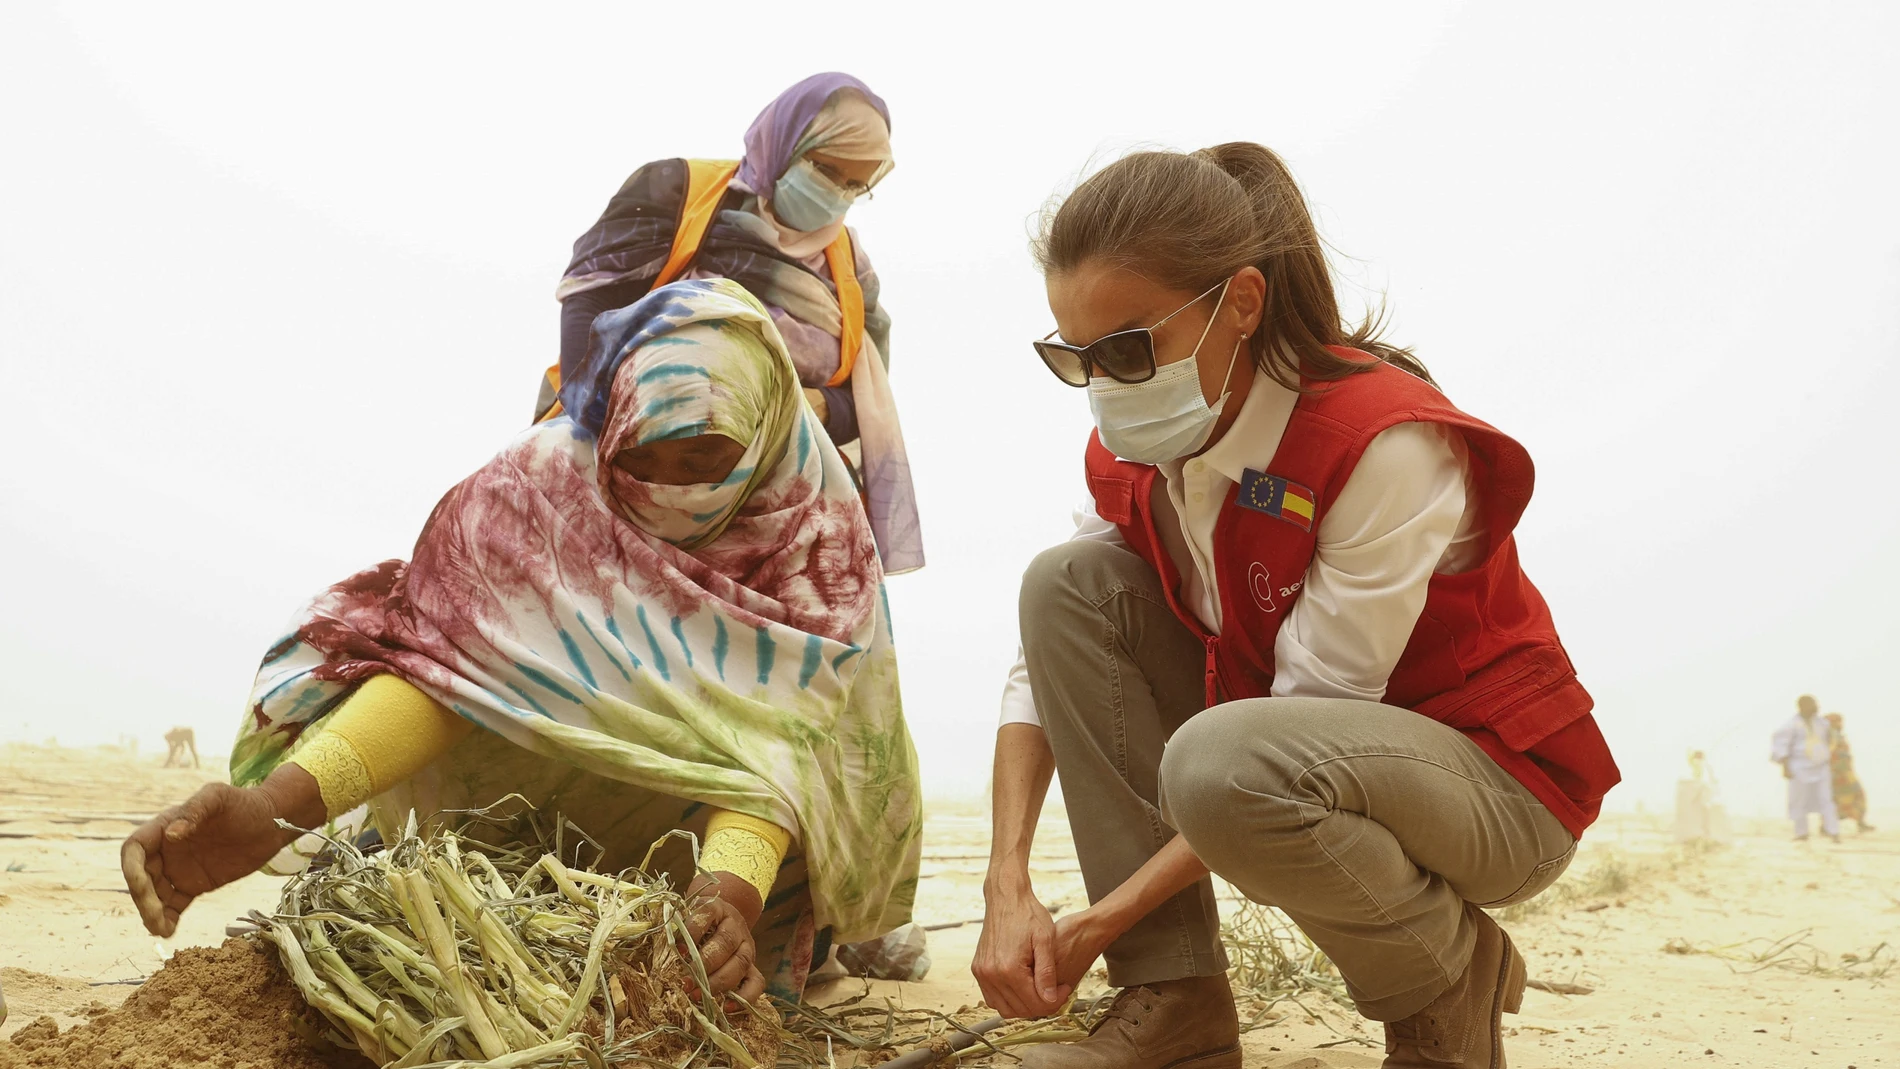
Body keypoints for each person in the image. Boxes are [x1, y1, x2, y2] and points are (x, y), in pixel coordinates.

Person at [971, 144, 1619, 1069]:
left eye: (1128, 348)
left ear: (1238, 303)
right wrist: (1008, 886)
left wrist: (1094, 921)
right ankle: (1175, 997)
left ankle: (1447, 986)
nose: (1107, 385)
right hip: (1297, 760)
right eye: (1075, 358)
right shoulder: (1142, 453)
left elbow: (1297, 721)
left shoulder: (1383, 444)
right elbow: (1047, 660)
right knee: (1064, 583)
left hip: (1495, 791)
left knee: (1223, 762)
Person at [121, 280, 922, 1005]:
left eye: (707, 459)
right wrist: (273, 812)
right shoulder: (537, 491)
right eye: (645, 458)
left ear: (767, 434)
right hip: (509, 844)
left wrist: (722, 907)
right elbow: (452, 672)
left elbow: (775, 748)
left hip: (688, 876)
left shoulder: (817, 544)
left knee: (703, 975)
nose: (675, 488)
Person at [550, 72, 923, 574]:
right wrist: (605, 424)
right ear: (785, 145)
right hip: (640, 467)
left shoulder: (849, 266)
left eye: (858, 184)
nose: (839, 194)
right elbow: (589, 307)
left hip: (776, 506)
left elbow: (863, 402)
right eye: (828, 171)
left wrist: (810, 406)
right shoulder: (679, 192)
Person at [1772, 696, 1840, 842]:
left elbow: (1831, 739)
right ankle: (1801, 833)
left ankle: (1833, 832)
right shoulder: (1790, 725)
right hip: (1799, 767)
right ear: (1802, 706)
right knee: (1799, 800)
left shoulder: (1821, 723)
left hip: (1821, 767)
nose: (1816, 707)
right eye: (1812, 704)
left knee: (1826, 799)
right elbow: (1780, 746)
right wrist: (1785, 767)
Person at [1824, 712, 1872, 834]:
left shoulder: (1836, 735)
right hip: (1838, 773)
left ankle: (1859, 823)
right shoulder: (1831, 736)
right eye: (1837, 721)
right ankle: (1828, 825)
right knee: (1844, 798)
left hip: (1844, 772)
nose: (1840, 724)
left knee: (1841, 798)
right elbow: (1829, 753)